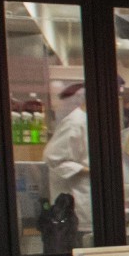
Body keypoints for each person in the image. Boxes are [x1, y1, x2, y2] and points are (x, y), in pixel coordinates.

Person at [41, 82, 90, 243]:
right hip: (78, 194)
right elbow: (53, 157)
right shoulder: (75, 123)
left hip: (87, 195)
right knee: (80, 240)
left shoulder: (88, 120)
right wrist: (86, 169)